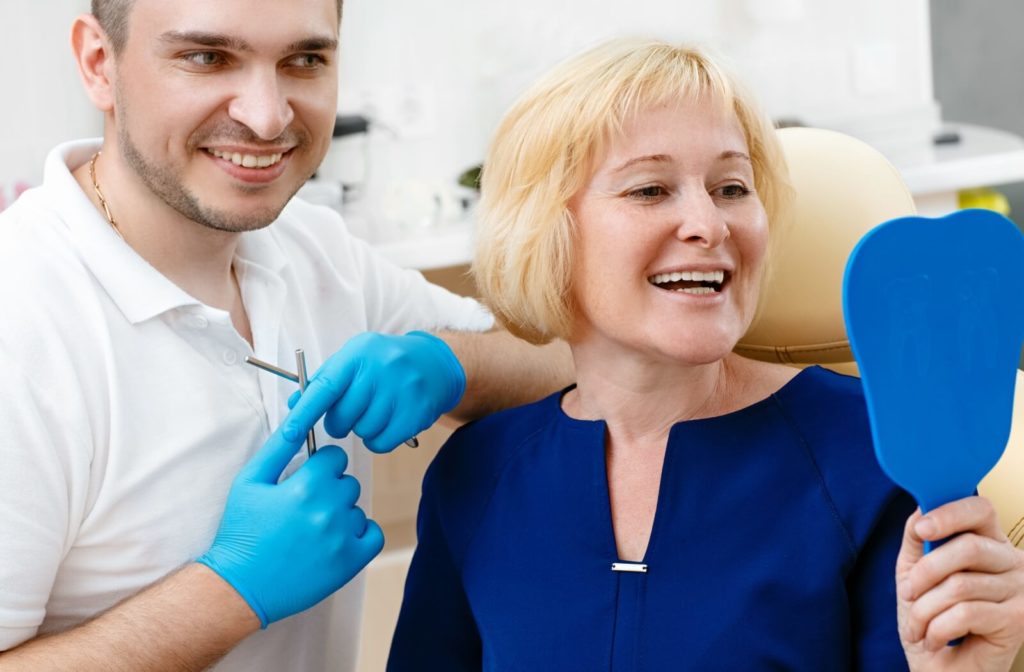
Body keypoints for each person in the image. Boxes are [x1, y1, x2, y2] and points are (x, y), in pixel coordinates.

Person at [387, 38, 1024, 671]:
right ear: (546, 233)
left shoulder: (874, 458)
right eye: (649, 190)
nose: (709, 225)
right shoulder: (476, 477)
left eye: (730, 188)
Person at [0, 1, 572, 670]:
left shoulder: (310, 246)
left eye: (304, 60)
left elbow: (574, 368)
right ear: (100, 63)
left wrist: (453, 363)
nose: (268, 116)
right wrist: (227, 592)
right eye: (208, 58)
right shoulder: (24, 324)